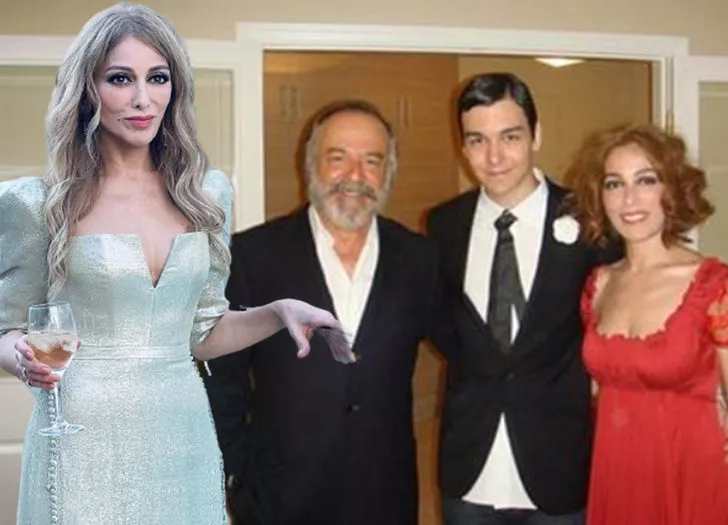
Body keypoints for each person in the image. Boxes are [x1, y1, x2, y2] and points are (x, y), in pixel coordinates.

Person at [0, 4, 349, 524]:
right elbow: (7, 329)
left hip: (181, 434)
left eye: (158, 78)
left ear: (175, 87)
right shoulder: (37, 203)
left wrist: (278, 312)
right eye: (121, 78)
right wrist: (22, 357)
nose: (143, 99)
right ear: (88, 88)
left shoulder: (206, 195)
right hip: (82, 437)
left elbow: (202, 335)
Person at [205, 99, 438, 525]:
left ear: (388, 173)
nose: (355, 176)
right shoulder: (253, 257)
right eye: (338, 158)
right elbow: (221, 381)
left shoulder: (420, 260)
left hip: (386, 498)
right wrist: (236, 475)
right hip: (279, 501)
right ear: (310, 164)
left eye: (372, 161)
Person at [427, 72, 614, 525]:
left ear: (536, 135)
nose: (494, 157)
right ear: (463, 146)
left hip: (557, 464)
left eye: (509, 136)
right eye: (478, 140)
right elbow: (443, 325)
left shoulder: (592, 221)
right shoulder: (443, 225)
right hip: (470, 464)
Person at [564, 122, 728, 525]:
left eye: (646, 180)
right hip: (617, 470)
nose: (629, 199)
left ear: (672, 190)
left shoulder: (713, 284)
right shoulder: (598, 285)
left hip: (692, 471)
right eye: (614, 184)